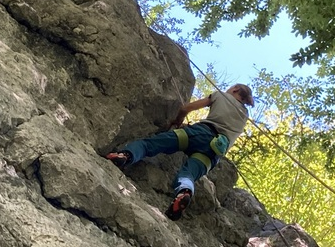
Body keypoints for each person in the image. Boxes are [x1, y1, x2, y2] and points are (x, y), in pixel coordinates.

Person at [106, 84, 254, 220]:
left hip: (199, 134)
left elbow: (185, 108)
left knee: (149, 144)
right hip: (214, 152)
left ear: (234, 89)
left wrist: (178, 121)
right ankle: (185, 192)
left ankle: (125, 155)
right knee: (188, 174)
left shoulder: (221, 95)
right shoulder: (244, 115)